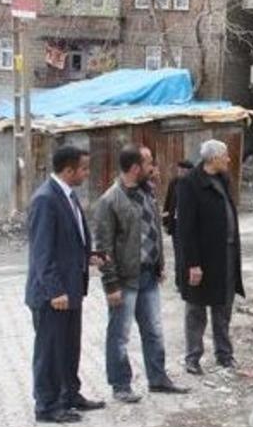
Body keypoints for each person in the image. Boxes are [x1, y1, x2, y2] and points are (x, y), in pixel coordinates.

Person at [94, 145, 189, 403]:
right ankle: (120, 385)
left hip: (148, 276)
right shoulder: (110, 201)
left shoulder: (148, 193)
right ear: (135, 168)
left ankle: (158, 379)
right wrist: (111, 284)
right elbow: (103, 247)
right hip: (125, 280)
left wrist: (160, 265)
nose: (153, 168)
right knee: (119, 335)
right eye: (149, 163)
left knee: (154, 330)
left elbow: (154, 231)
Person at [25, 145, 105, 423]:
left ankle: (70, 394)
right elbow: (42, 252)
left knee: (69, 347)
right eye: (84, 168)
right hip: (53, 294)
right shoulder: (45, 199)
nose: (87, 173)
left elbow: (69, 239)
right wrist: (55, 290)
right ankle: (46, 406)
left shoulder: (66, 195)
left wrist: (88, 256)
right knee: (49, 351)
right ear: (69, 170)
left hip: (71, 289)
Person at [177, 140, 245, 375]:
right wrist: (193, 264)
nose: (228, 159)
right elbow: (186, 228)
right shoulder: (190, 183)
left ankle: (224, 354)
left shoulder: (223, 179)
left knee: (223, 307)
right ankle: (193, 357)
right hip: (202, 258)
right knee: (196, 309)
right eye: (225, 156)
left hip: (225, 255)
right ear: (214, 158)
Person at [162, 160, 194, 294]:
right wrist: (165, 221)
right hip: (176, 224)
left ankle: (189, 282)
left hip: (190, 226)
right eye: (179, 171)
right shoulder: (174, 183)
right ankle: (180, 282)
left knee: (188, 255)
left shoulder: (194, 184)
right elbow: (168, 202)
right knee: (178, 255)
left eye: (183, 171)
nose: (181, 173)